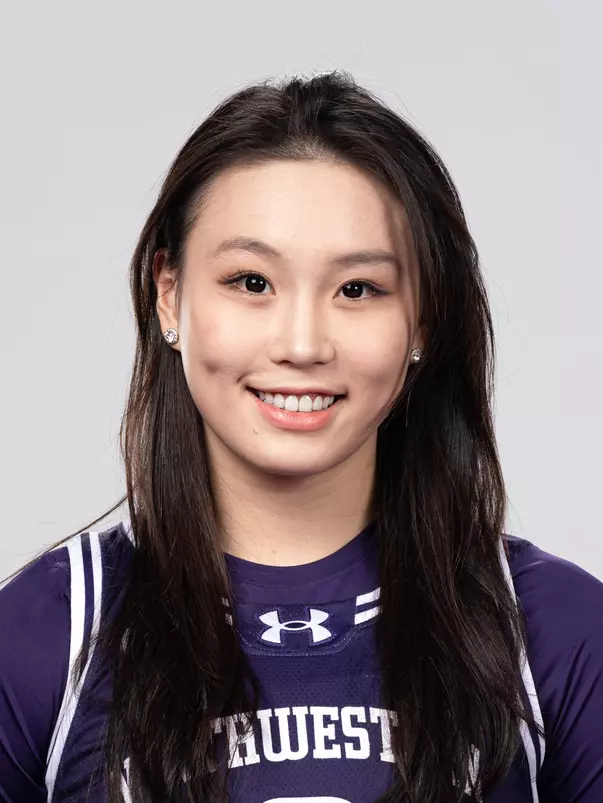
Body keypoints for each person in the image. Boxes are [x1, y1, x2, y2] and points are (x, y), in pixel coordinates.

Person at [0, 70, 602, 803]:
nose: (302, 342)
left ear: (422, 319)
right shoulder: (47, 638)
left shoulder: (552, 633)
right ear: (169, 294)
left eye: (358, 289)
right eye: (251, 281)